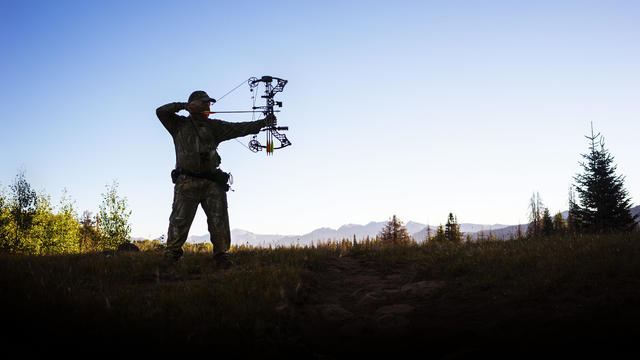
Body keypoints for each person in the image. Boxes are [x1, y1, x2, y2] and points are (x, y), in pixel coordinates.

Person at [156, 90, 274, 268]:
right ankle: (172, 255)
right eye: (203, 103)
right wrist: (183, 106)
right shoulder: (178, 124)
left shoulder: (214, 126)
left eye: (208, 104)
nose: (207, 107)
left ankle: (221, 256)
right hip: (186, 182)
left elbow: (239, 128)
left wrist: (263, 123)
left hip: (212, 182)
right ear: (193, 105)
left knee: (219, 220)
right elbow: (161, 111)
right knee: (179, 221)